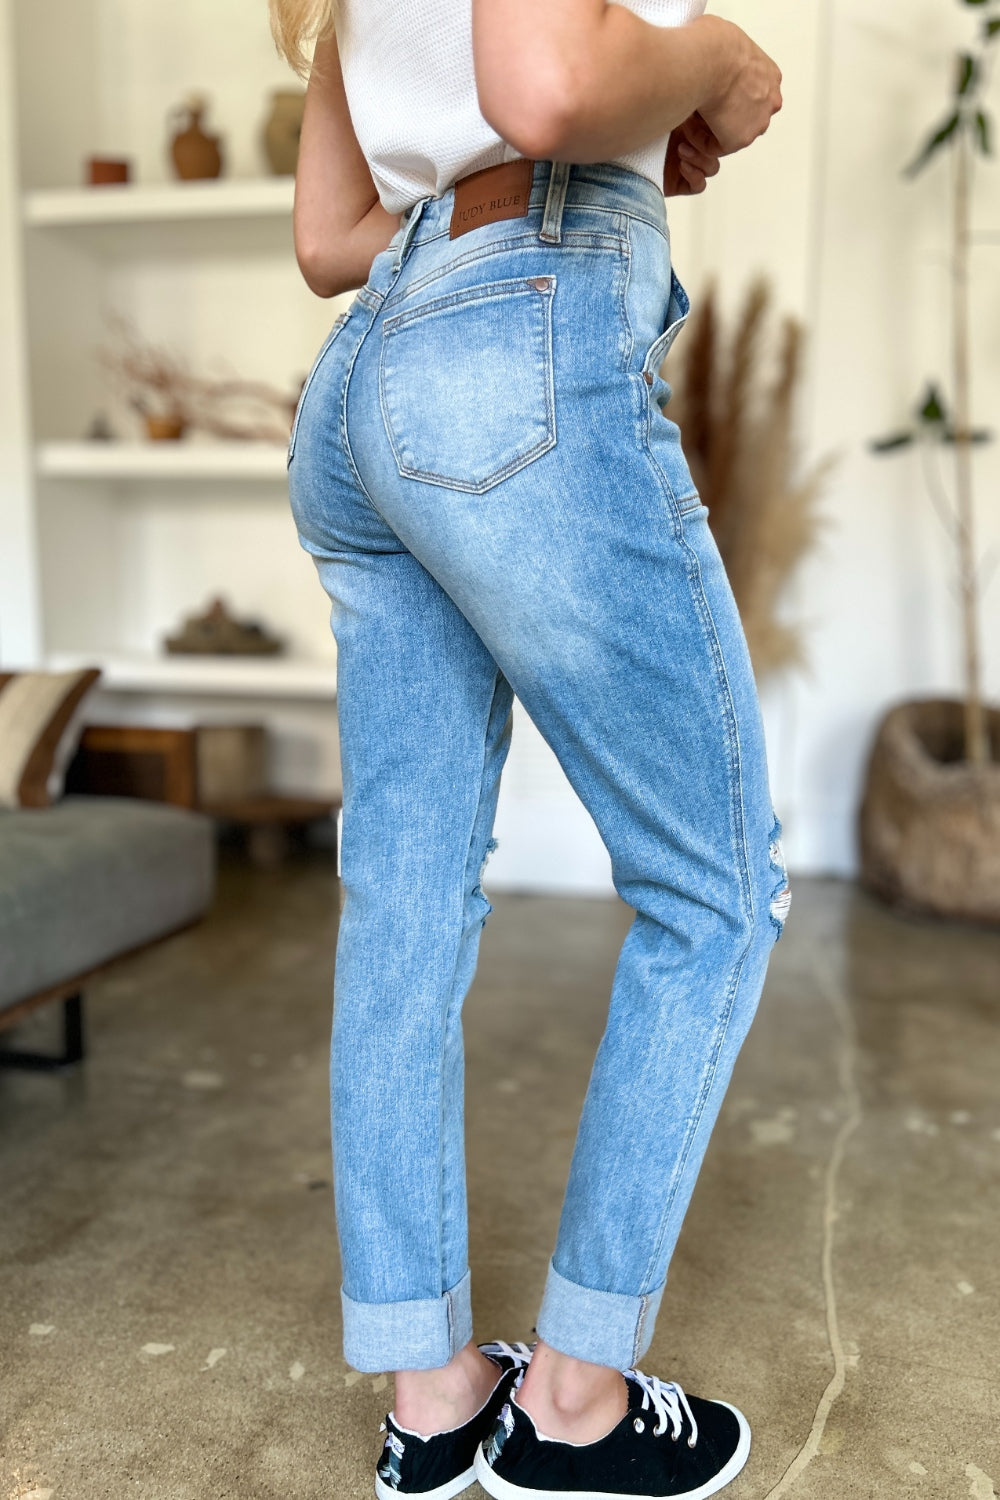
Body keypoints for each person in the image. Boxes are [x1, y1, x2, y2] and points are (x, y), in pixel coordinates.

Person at [273, 0, 787, 1494]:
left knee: (404, 907)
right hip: (520, 336)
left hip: (369, 377)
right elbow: (548, 88)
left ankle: (431, 1400)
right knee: (715, 890)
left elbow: (326, 241)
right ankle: (572, 1404)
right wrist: (712, 60)